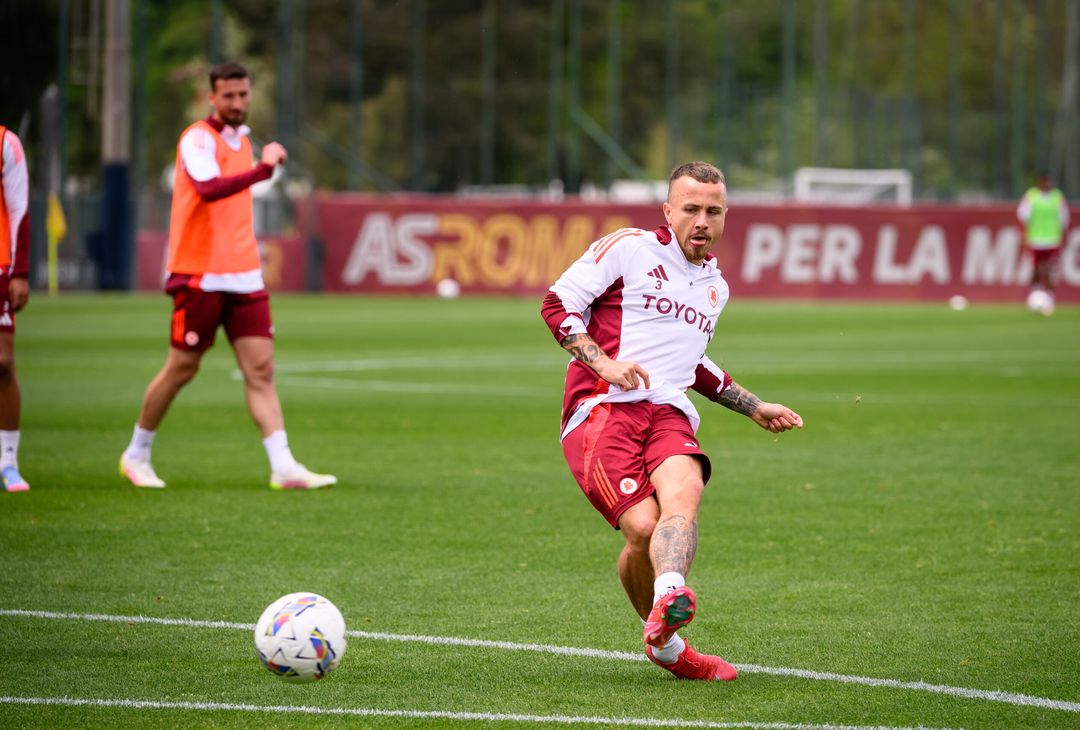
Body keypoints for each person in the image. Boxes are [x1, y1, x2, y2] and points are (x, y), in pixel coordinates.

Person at [540, 161, 803, 681]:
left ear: (726, 216)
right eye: (691, 209)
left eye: (713, 211)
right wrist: (605, 364)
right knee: (640, 529)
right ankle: (668, 645)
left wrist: (754, 406)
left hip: (668, 412)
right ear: (668, 211)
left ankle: (669, 598)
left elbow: (693, 364)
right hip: (601, 408)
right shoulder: (630, 247)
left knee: (684, 490)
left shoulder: (714, 286)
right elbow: (557, 303)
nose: (702, 220)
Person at [120, 62, 335, 491]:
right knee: (182, 368)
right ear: (211, 98)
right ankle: (136, 453)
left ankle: (284, 465)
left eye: (243, 94)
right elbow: (209, 188)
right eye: (229, 95)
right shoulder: (197, 138)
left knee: (262, 370)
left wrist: (259, 167)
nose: (237, 103)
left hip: (245, 275)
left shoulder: (243, 139)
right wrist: (264, 170)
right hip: (199, 274)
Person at [0, 125, 31, 492]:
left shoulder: (7, 142)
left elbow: (19, 205)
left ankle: (8, 461)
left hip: (1, 267)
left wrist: (19, 272)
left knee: (4, 363)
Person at [1017, 172, 1070, 316]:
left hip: (1052, 239)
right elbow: (1022, 216)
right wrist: (1025, 234)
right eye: (1045, 181)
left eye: (1049, 181)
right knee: (1035, 269)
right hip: (1035, 239)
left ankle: (1049, 298)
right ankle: (1034, 296)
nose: (1048, 184)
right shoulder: (1031, 196)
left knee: (1050, 270)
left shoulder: (1057, 197)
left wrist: (1063, 235)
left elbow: (1064, 218)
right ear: (1039, 182)